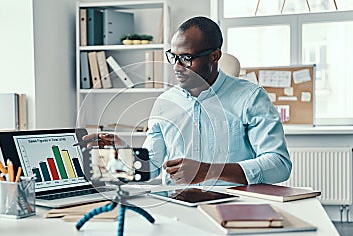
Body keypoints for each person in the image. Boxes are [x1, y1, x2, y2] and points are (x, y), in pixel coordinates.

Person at [82, 16, 292, 186]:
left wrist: (207, 171)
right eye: (173, 56)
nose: (177, 67)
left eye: (186, 58)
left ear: (214, 56)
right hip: (178, 208)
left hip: (232, 208)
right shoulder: (165, 103)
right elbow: (152, 166)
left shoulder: (250, 98)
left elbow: (279, 164)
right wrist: (126, 152)